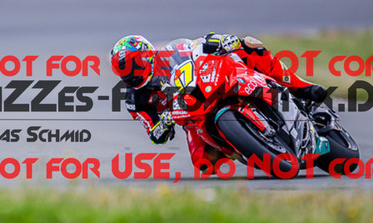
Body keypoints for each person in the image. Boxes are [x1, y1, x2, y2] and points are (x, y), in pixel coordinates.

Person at [110, 33, 327, 171]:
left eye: (135, 64)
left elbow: (199, 44)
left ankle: (299, 86)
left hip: (207, 84)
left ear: (147, 55)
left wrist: (223, 40)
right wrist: (164, 122)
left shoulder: (169, 54)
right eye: (125, 71)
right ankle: (246, 147)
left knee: (250, 47)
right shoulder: (134, 100)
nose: (132, 73)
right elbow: (155, 134)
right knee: (203, 163)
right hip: (191, 117)